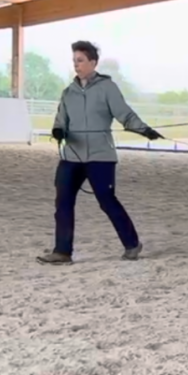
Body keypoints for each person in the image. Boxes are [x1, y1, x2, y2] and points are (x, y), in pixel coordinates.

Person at [36, 40, 163, 265]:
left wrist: (145, 130)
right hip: (71, 156)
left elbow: (125, 114)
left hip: (101, 156)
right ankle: (62, 252)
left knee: (107, 201)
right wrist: (58, 130)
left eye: (81, 60)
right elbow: (61, 119)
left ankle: (132, 244)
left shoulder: (108, 88)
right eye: (74, 61)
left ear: (93, 62)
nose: (77, 65)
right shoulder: (68, 93)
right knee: (63, 202)